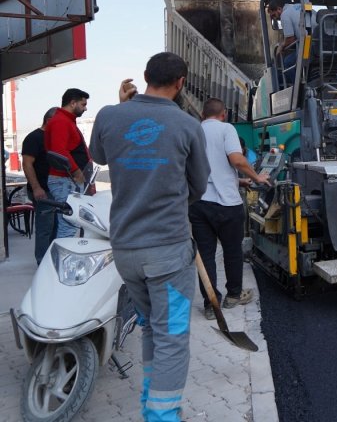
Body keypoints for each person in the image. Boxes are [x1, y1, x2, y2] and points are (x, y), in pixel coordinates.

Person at [90, 54, 210, 422]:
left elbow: (98, 155)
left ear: (144, 77)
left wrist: (125, 110)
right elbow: (199, 185)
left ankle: (150, 402)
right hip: (168, 253)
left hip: (126, 251)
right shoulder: (188, 125)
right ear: (181, 82)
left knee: (151, 328)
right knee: (172, 337)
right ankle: (162, 416)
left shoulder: (109, 116)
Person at [191, 98, 270, 320]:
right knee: (232, 250)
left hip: (199, 204)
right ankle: (234, 295)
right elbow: (236, 159)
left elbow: (207, 168)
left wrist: (238, 181)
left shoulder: (194, 131)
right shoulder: (226, 129)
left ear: (202, 115)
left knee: (205, 254)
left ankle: (210, 304)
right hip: (226, 205)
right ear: (223, 114)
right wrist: (255, 177)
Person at [44, 88, 94, 238]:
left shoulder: (66, 121)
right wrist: (77, 173)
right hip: (64, 181)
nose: (85, 108)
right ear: (73, 103)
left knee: (70, 224)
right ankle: (64, 260)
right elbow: (59, 151)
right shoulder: (61, 121)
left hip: (68, 180)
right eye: (83, 104)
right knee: (68, 226)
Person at [21, 107, 58, 264]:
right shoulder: (34, 138)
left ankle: (51, 260)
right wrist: (36, 188)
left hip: (54, 191)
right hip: (42, 191)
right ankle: (42, 262)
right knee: (45, 229)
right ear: (49, 121)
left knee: (55, 227)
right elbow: (27, 164)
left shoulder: (53, 137)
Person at [265, 0, 302, 74]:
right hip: (322, 42)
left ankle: (297, 85)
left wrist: (281, 47)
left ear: (279, 9)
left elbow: (290, 39)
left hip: (310, 47)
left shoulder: (284, 15)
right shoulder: (299, 7)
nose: (275, 18)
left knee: (287, 62)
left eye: (274, 15)